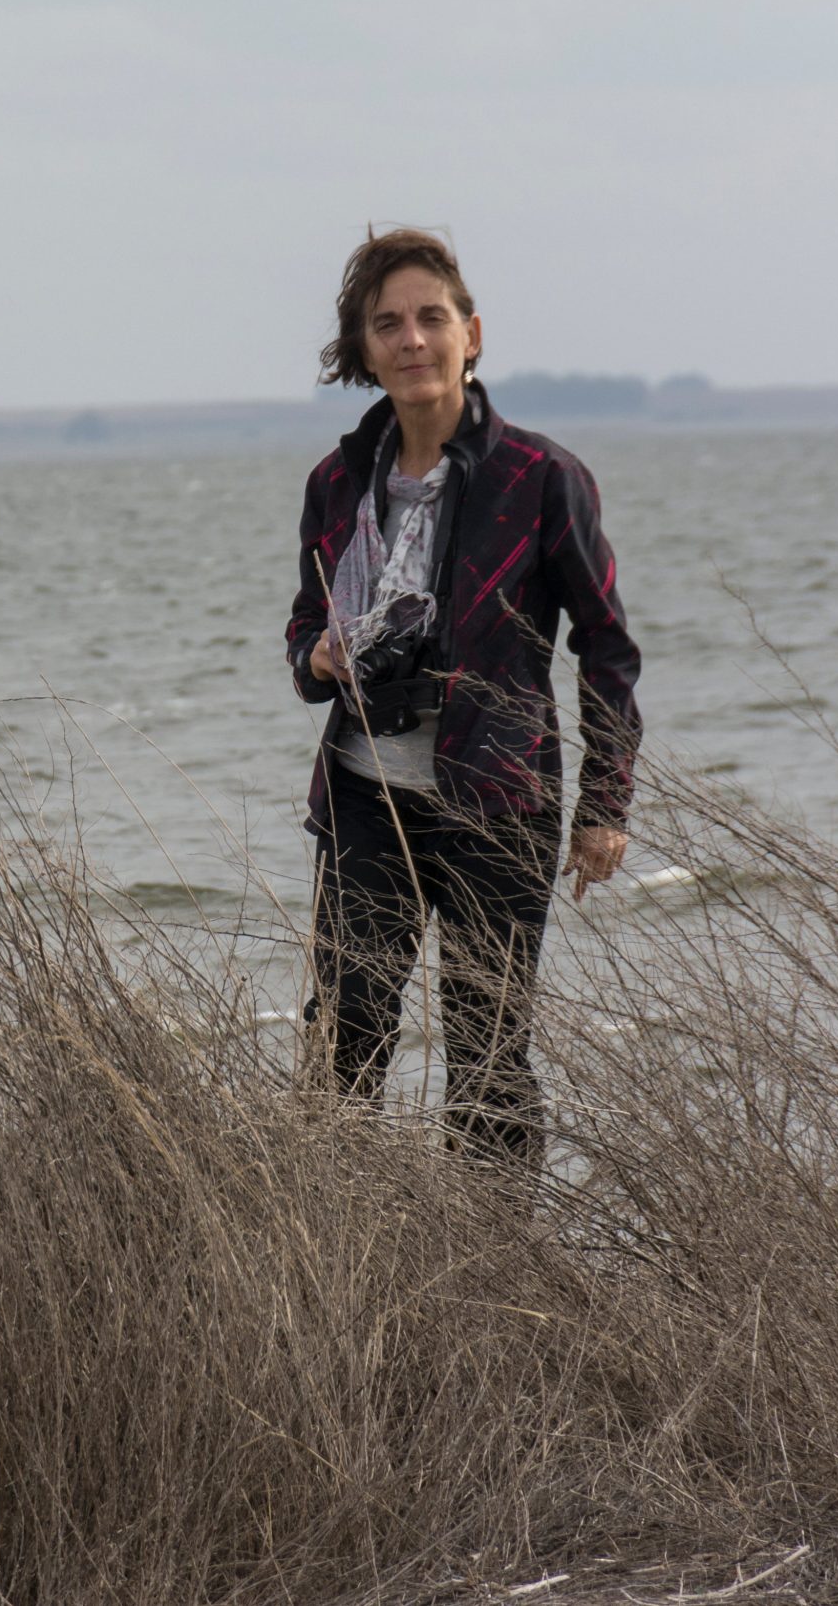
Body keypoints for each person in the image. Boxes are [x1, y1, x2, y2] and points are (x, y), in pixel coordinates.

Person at [283, 227, 641, 1168]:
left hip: (499, 803)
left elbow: (605, 647)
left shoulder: (540, 478)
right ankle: (331, 1250)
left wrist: (604, 805)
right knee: (345, 1034)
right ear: (365, 351)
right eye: (387, 324)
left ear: (471, 335)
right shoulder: (334, 482)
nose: (412, 340)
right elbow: (301, 629)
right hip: (365, 799)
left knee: (488, 1058)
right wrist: (319, 660)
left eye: (431, 319)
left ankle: (496, 1278)